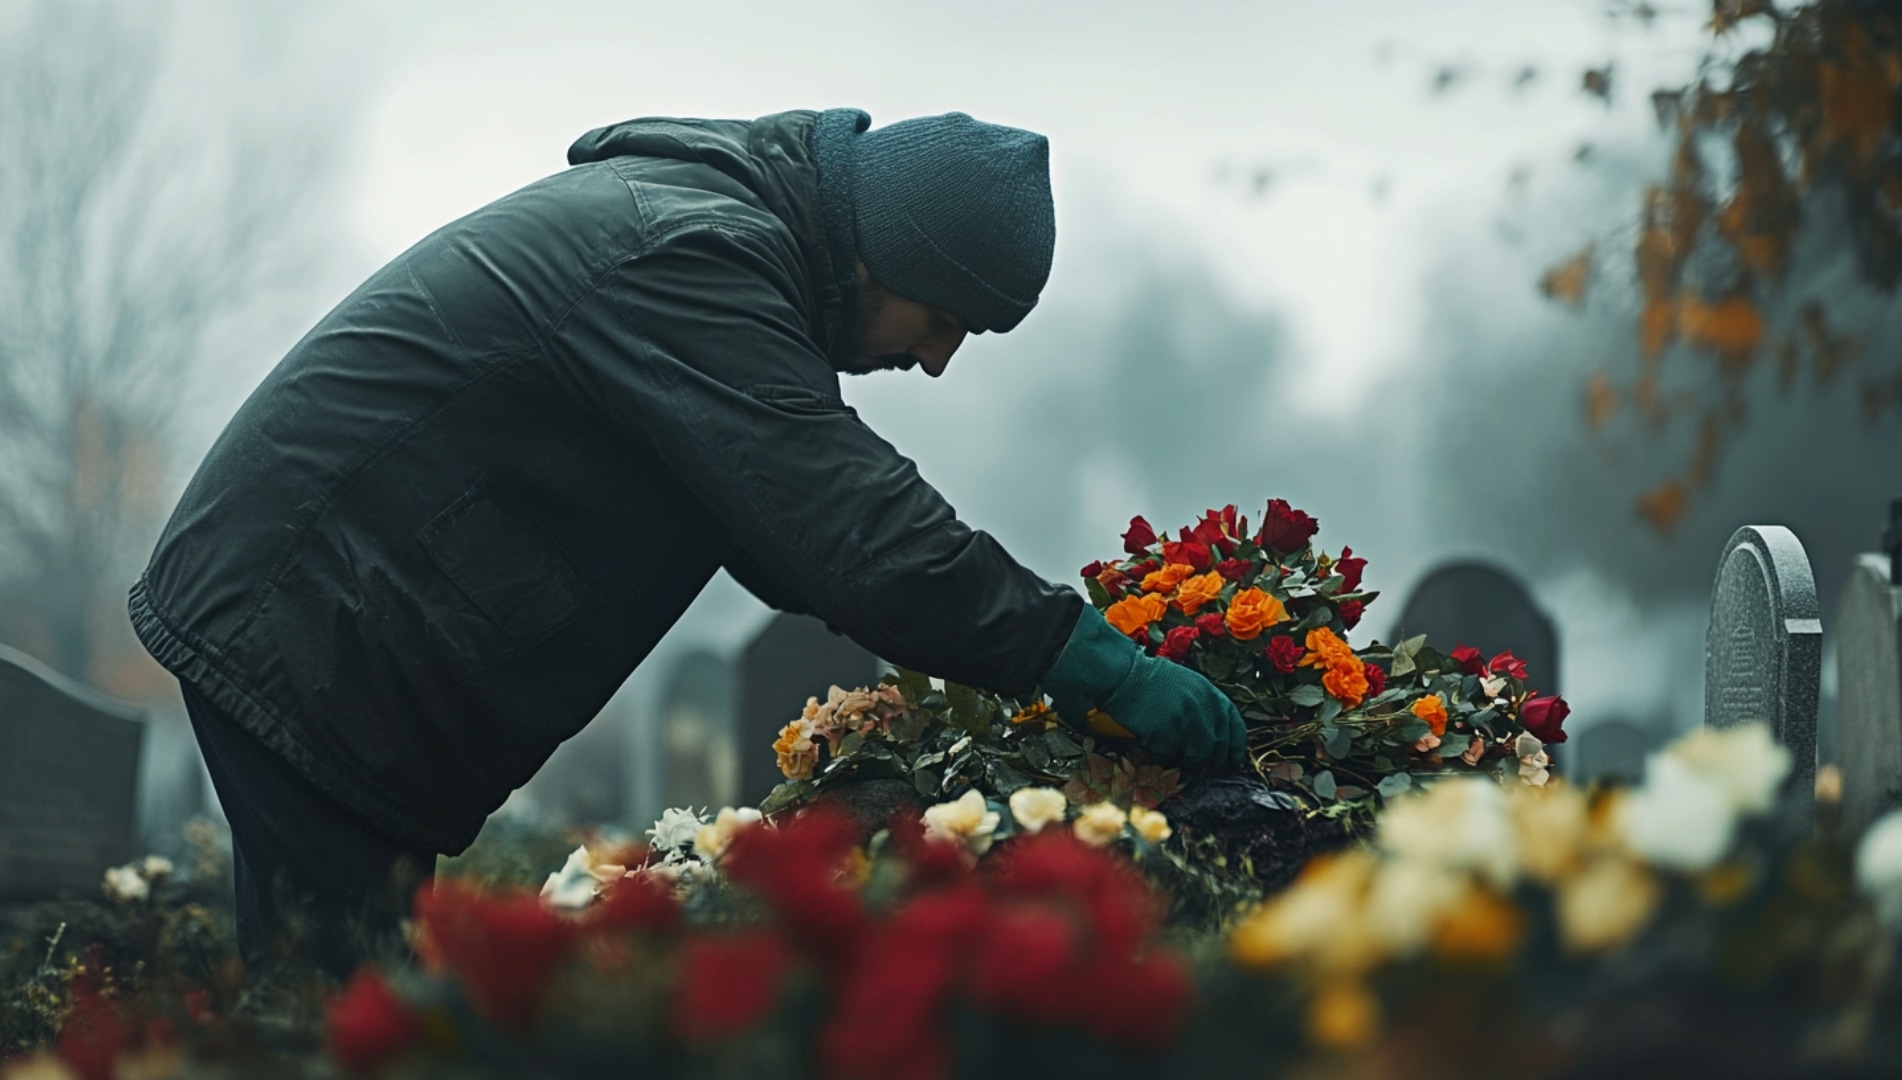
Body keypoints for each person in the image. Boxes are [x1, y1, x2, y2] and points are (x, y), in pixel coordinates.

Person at [129, 108, 1246, 978]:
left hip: (337, 620)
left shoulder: (718, 246)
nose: (941, 358)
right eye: (946, 318)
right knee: (337, 1019)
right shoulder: (689, 255)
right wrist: (1090, 661)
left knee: (352, 1005)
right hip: (314, 617)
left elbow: (798, 540)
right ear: (888, 256)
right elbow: (846, 524)